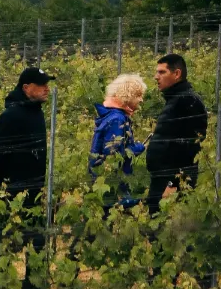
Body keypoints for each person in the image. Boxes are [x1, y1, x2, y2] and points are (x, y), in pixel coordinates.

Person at [0, 67, 53, 289]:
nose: (46, 89)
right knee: (7, 246)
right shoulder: (11, 116)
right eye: (41, 84)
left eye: (47, 84)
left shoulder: (37, 113)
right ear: (26, 88)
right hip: (12, 193)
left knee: (37, 246)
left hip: (35, 192)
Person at [145, 53, 208, 214]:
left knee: (166, 231)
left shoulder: (187, 101)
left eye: (161, 72)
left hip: (171, 184)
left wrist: (174, 184)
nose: (156, 77)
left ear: (177, 74)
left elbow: (190, 148)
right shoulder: (176, 100)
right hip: (163, 179)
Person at [88, 73, 147, 208]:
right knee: (115, 211)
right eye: (138, 96)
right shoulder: (117, 119)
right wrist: (136, 149)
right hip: (111, 182)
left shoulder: (113, 116)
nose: (141, 100)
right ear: (127, 96)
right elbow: (113, 155)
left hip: (105, 179)